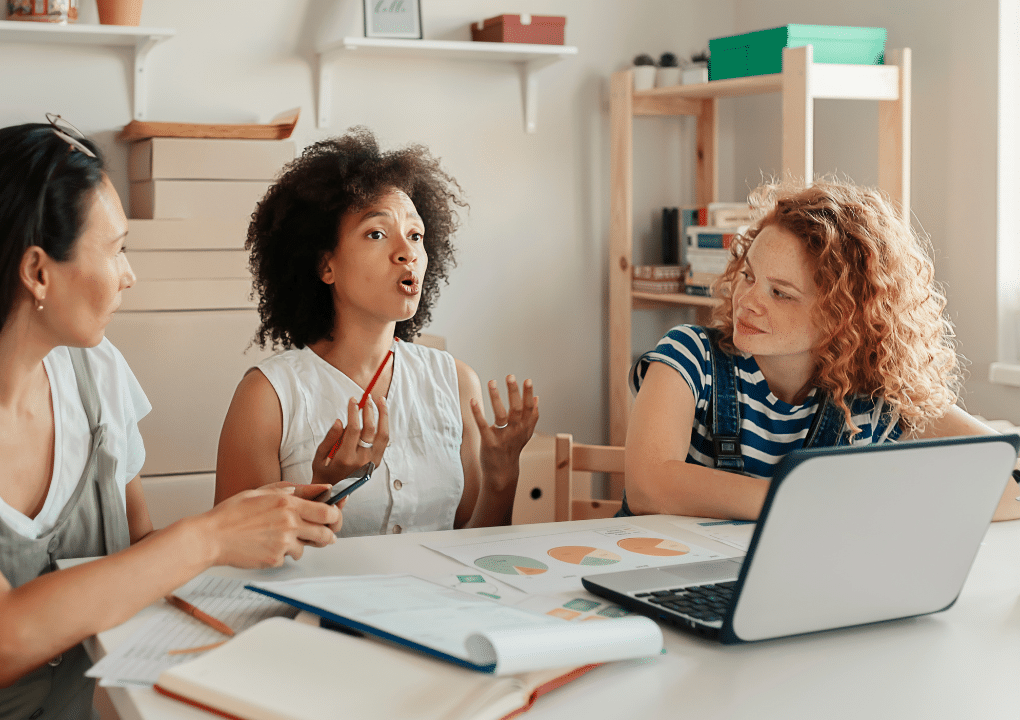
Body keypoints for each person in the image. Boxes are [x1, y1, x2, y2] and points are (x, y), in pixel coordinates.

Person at [0, 120, 343, 719]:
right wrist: (208, 537)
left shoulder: (96, 374)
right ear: (37, 271)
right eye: (117, 248)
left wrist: (250, 533)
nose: (129, 274)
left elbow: (136, 552)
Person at [624, 179, 1020, 522]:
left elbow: (1010, 476)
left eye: (780, 293)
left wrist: (888, 507)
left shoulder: (879, 396)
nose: (747, 300)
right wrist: (800, 501)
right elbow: (649, 485)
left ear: (842, 316)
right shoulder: (688, 358)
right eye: (748, 275)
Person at [213, 128, 539, 537]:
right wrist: (327, 490)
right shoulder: (267, 398)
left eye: (416, 235)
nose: (407, 252)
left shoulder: (457, 383)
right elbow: (232, 559)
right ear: (324, 265)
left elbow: (471, 545)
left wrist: (502, 478)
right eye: (377, 233)